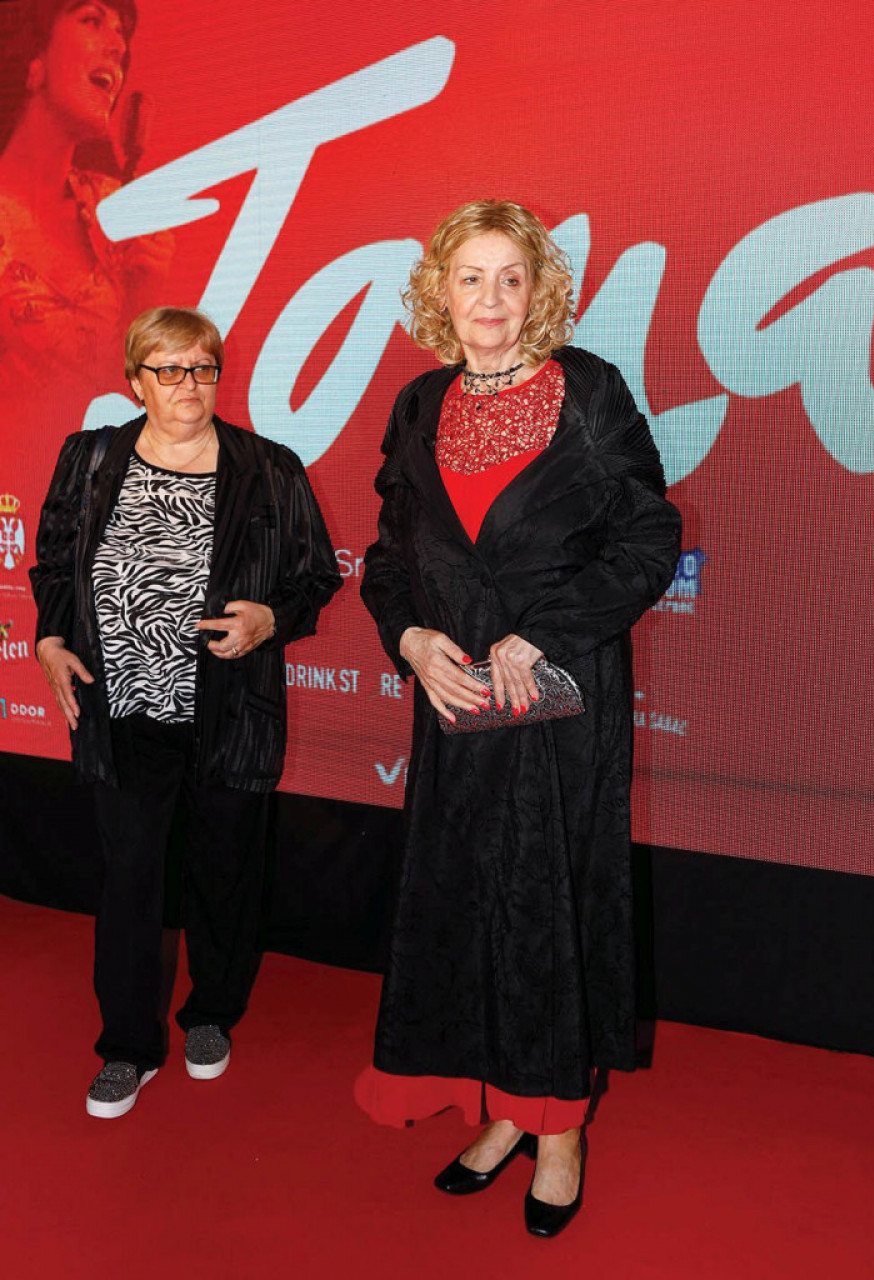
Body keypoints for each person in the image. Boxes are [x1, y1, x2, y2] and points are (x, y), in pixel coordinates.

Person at [357, 200, 682, 1236]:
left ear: (538, 291)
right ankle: (502, 1108)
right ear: (439, 292)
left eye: (511, 276)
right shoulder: (418, 402)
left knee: (551, 906)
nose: (490, 298)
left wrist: (542, 634)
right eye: (471, 277)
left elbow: (649, 538)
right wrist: (410, 640)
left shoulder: (590, 390)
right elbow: (390, 556)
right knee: (467, 903)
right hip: (454, 700)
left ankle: (560, 1126)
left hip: (558, 698)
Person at [30, 306, 341, 1118]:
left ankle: (211, 1014)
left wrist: (271, 619)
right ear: (135, 381)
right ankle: (126, 1048)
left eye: (202, 368)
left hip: (230, 711)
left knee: (224, 871)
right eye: (168, 370)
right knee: (129, 876)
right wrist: (50, 639)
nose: (188, 385)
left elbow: (315, 576)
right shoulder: (90, 459)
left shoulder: (269, 468)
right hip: (121, 708)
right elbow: (54, 562)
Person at [0, 1, 170, 398]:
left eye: (121, 33)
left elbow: (135, 400)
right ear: (35, 55)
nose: (118, 45)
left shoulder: (115, 210)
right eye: (92, 20)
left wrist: (146, 300)